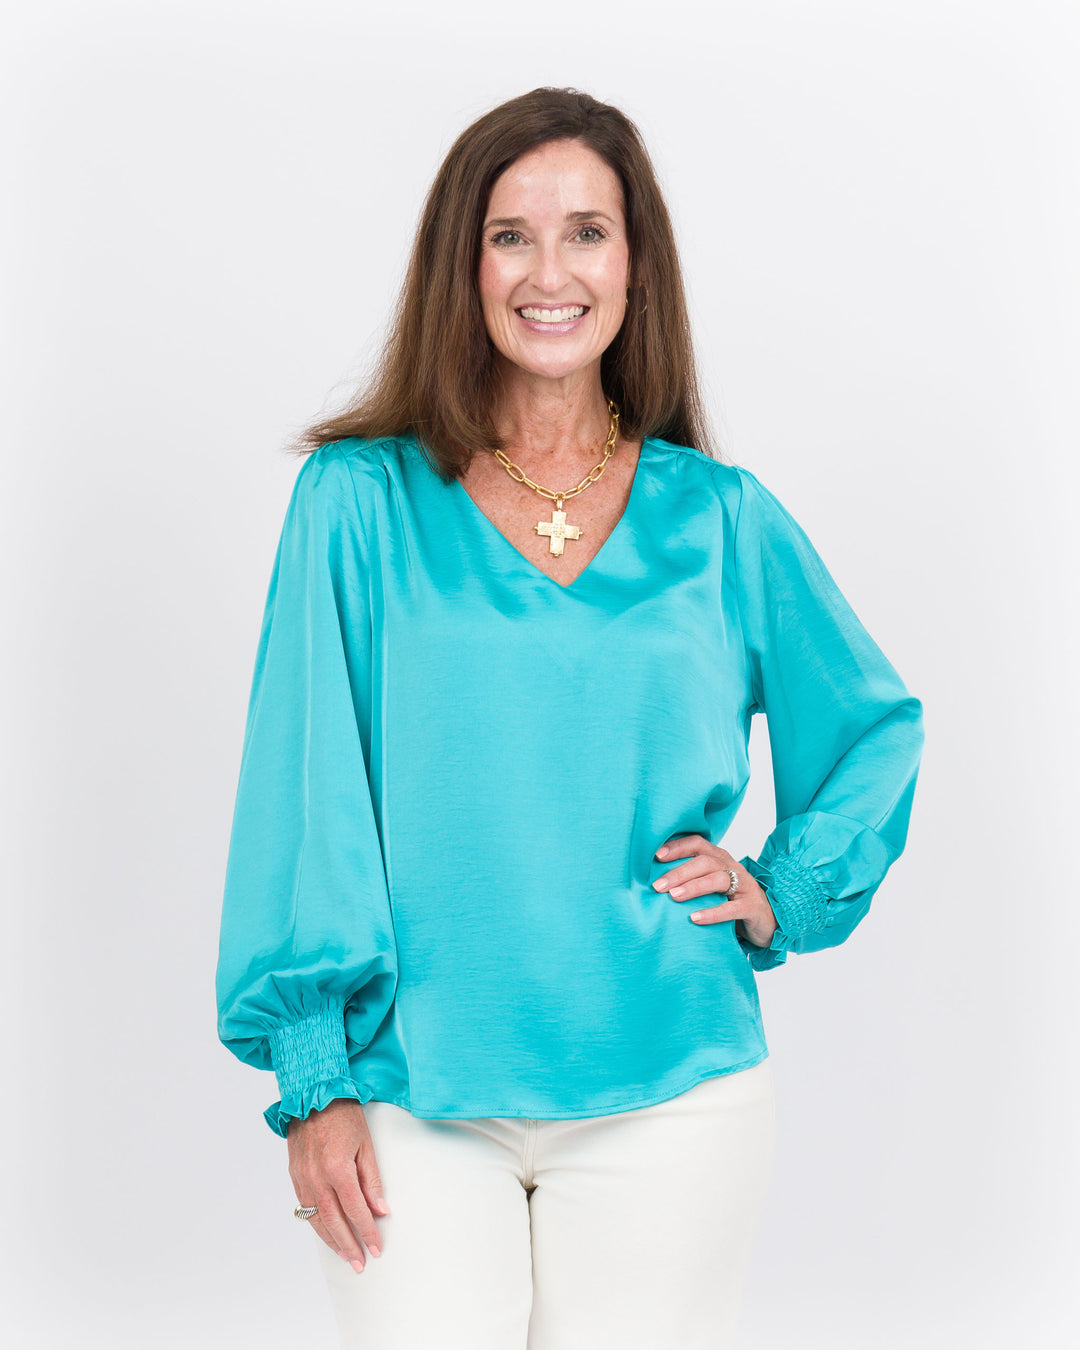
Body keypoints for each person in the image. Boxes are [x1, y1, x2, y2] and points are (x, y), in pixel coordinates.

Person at [215, 86, 925, 1350]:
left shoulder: (720, 517)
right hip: (409, 1084)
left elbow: (874, 726)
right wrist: (312, 1076)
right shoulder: (357, 502)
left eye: (587, 232)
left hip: (675, 1086)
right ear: (464, 266)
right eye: (511, 236)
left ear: (636, 266)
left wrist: (780, 890)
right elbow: (305, 787)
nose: (551, 273)